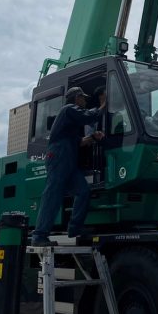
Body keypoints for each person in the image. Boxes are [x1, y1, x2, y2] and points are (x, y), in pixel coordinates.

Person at [31, 86, 105, 245]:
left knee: (83, 191)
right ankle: (39, 236)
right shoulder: (68, 109)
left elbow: (79, 141)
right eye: (83, 98)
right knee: (53, 195)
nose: (85, 101)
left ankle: (75, 228)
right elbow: (88, 116)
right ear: (77, 98)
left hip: (69, 161)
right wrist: (103, 105)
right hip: (59, 157)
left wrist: (93, 137)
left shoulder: (70, 121)